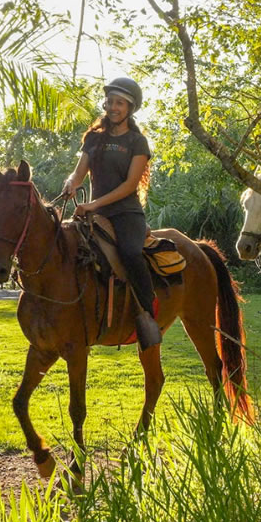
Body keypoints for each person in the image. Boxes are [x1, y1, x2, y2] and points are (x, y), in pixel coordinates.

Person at [61, 77, 161, 350]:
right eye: (110, 102)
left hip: (126, 214)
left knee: (130, 253)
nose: (113, 107)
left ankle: (147, 315)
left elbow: (129, 185)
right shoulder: (93, 138)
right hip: (94, 216)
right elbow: (79, 173)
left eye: (120, 103)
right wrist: (71, 183)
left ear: (130, 108)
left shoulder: (137, 142)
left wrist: (93, 205)